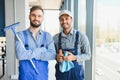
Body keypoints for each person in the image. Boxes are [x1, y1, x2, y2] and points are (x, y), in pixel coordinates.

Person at [15, 6, 56, 80]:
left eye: (39, 16)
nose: (36, 18)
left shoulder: (48, 36)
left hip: (42, 76)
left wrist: (29, 54)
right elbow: (20, 55)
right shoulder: (20, 35)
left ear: (42, 18)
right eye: (33, 15)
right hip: (25, 76)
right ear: (29, 16)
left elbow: (52, 55)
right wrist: (41, 50)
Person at [54, 10, 91, 80]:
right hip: (61, 75)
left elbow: (88, 55)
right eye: (61, 19)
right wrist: (57, 56)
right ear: (59, 21)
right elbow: (52, 54)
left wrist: (74, 58)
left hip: (77, 75)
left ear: (71, 20)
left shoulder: (81, 36)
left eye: (66, 19)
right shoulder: (55, 38)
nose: (64, 21)